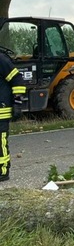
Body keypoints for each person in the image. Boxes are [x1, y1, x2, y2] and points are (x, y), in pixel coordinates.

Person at [0, 50, 25, 182]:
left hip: (1, 110)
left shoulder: (1, 60)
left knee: (0, 142)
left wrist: (17, 103)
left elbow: (17, 80)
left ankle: (2, 171)